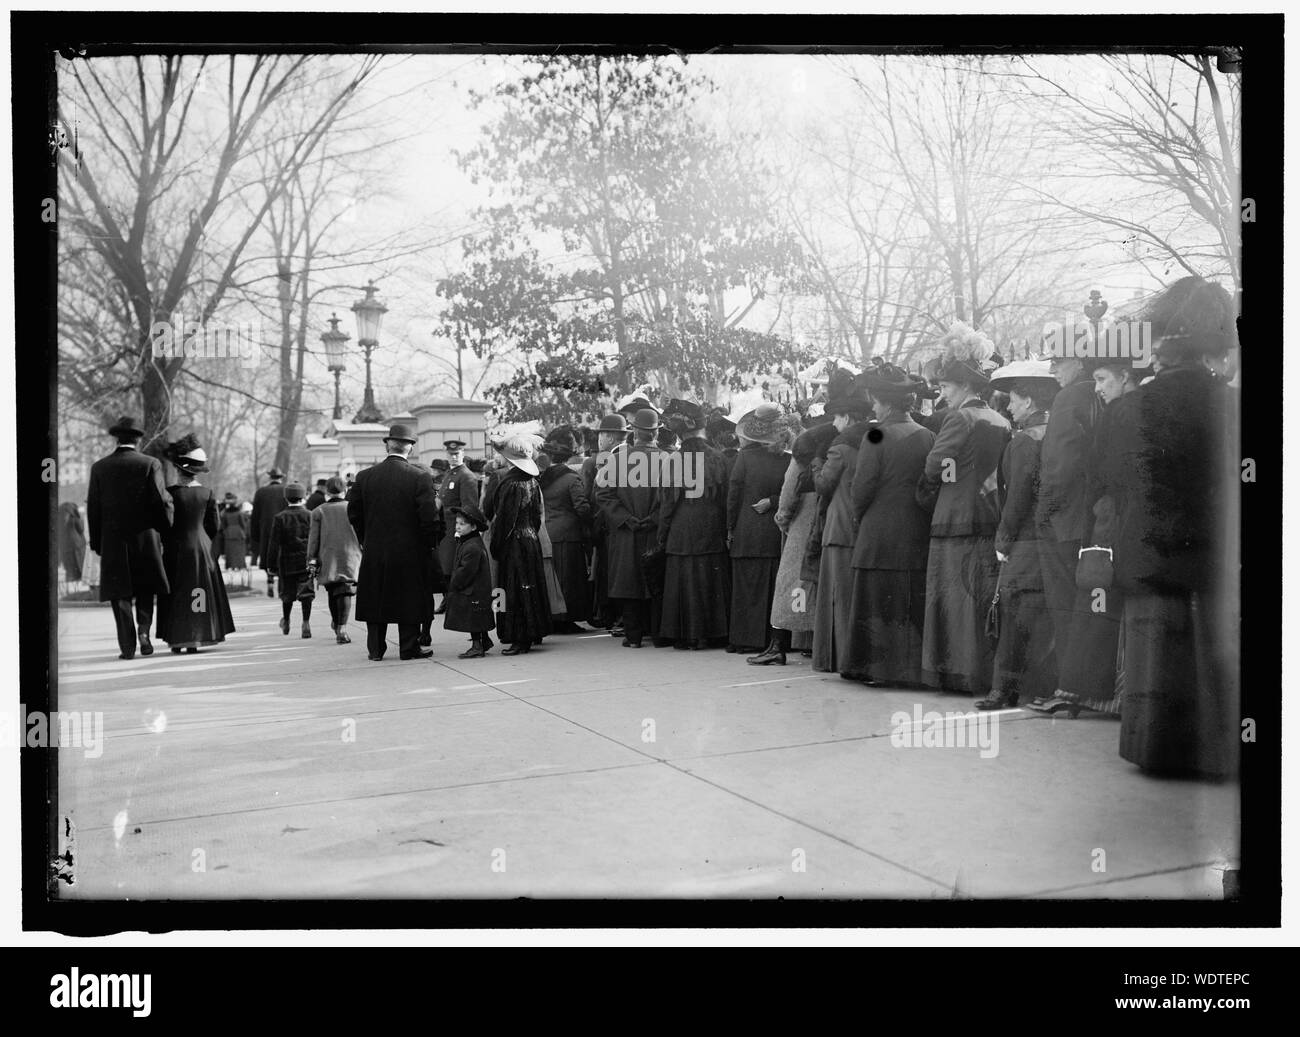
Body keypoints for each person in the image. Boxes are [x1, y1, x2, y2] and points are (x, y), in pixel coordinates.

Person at [1080, 277, 1239, 778]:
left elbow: (1109, 481)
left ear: (1161, 351)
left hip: (1148, 547)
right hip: (1212, 549)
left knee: (1156, 654)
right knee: (1211, 651)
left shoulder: (1129, 408)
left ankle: (1157, 748)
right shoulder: (1230, 404)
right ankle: (1215, 748)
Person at [916, 325, 1011, 694]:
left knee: (953, 600)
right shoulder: (1000, 421)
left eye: (946, 388)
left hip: (954, 520)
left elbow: (933, 466)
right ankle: (980, 674)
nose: (942, 395)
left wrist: (944, 478)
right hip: (988, 518)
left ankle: (953, 673)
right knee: (978, 599)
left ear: (966, 387)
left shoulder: (960, 419)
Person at [842, 365, 934, 686]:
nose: (874, 408)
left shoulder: (877, 435)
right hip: (915, 532)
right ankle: (910, 669)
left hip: (878, 532)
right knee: (908, 603)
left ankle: (876, 669)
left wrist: (859, 516)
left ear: (889, 403)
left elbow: (862, 488)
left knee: (877, 601)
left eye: (877, 403)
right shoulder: (927, 435)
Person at [976, 362, 1059, 709]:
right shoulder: (1055, 433)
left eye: (1012, 399)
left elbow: (1017, 497)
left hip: (1024, 541)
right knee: (1042, 617)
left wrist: (1003, 540)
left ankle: (1004, 689)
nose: (1009, 406)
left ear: (1028, 401)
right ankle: (1038, 687)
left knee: (1014, 614)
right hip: (1051, 542)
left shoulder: (1025, 441)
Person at [1035, 327, 1103, 692]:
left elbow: (1058, 464)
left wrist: (1043, 510)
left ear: (1077, 361)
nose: (1053, 370)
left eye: (1058, 362)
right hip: (1092, 517)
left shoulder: (1069, 398)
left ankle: (1066, 687)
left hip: (1063, 519)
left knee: (1063, 605)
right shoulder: (1100, 392)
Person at [348, 424, 441, 661]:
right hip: (410, 550)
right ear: (410, 447)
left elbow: (354, 514)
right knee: (408, 597)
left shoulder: (365, 477)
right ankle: (408, 648)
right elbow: (429, 518)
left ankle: (376, 649)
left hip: (375, 548)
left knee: (376, 597)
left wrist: (364, 539)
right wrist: (429, 544)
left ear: (388, 444)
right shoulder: (420, 477)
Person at [86, 415, 173, 660]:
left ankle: (127, 646)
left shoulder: (99, 467)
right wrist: (165, 530)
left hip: (113, 541)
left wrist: (97, 543)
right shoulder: (150, 464)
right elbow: (160, 501)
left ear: (117, 438)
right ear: (138, 439)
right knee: (146, 588)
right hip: (145, 538)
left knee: (119, 593)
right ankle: (144, 632)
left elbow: (93, 508)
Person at [749, 419, 832, 665]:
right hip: (827, 522)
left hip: (803, 524)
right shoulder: (834, 450)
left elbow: (788, 494)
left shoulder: (801, 455)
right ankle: (813, 643)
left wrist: (782, 519)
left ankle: (777, 645)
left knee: (791, 584)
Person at [811, 378, 874, 673]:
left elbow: (823, 485)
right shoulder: (875, 440)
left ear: (847, 417)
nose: (834, 424)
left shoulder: (840, 448)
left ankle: (835, 658)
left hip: (838, 529)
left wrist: (815, 464)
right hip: (862, 528)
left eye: (836, 417)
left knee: (836, 596)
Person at [657, 400, 731, 650]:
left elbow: (667, 503)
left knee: (685, 580)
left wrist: (662, 535)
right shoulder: (718, 458)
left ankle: (689, 634)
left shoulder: (674, 461)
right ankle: (715, 633)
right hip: (711, 527)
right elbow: (725, 499)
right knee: (710, 579)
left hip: (682, 528)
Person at [155, 436, 235, 653]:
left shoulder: (170, 493)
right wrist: (202, 538)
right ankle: (199, 636)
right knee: (198, 591)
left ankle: (178, 639)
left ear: (179, 471)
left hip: (176, 548)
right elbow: (214, 525)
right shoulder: (207, 493)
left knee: (177, 593)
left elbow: (165, 524)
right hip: (201, 547)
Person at [594, 409, 664, 648]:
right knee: (656, 582)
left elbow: (602, 494)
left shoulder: (617, 460)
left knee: (630, 582)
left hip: (626, 531)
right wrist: (654, 517)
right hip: (655, 531)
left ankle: (633, 637)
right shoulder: (668, 459)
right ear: (656, 432)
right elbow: (673, 497)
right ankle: (657, 634)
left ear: (634, 432)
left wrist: (625, 518)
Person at [726, 404, 793, 655]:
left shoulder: (744, 458)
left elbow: (733, 496)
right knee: (774, 587)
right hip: (775, 533)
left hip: (747, 531)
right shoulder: (788, 459)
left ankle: (744, 639)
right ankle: (773, 638)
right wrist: (773, 501)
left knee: (746, 588)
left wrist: (730, 529)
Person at [484, 434, 553, 654]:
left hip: (513, 544)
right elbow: (536, 515)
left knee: (513, 590)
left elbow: (504, 520)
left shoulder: (511, 484)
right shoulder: (531, 481)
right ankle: (533, 632)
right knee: (530, 588)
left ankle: (519, 637)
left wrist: (496, 546)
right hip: (530, 539)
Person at [538, 434, 593, 631]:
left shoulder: (541, 479)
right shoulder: (571, 478)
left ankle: (554, 617)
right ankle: (566, 619)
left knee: (553, 579)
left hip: (548, 532)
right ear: (568, 458)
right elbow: (582, 507)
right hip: (569, 535)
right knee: (569, 579)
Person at [582, 413, 629, 635]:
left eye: (601, 434)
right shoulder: (631, 456)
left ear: (609, 437)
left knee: (610, 573)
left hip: (607, 524)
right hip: (627, 522)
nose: (599, 439)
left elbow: (593, 495)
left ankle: (613, 616)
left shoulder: (601, 461)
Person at [307, 475, 361, 645]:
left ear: (327, 491)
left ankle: (337, 623)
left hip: (328, 556)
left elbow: (313, 539)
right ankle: (343, 628)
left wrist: (311, 559)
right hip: (351, 556)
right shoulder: (353, 508)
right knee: (346, 591)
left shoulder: (318, 511)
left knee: (332, 591)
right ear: (345, 490)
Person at [444, 501, 496, 658]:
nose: (458, 527)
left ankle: (477, 646)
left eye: (462, 524)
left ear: (473, 527)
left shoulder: (472, 546)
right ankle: (484, 641)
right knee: (476, 617)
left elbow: (466, 571)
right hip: (474, 589)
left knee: (473, 618)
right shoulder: (468, 541)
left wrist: (454, 583)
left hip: (472, 590)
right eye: (457, 523)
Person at [435, 439, 480, 614]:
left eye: (457, 454)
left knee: (453, 567)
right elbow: (440, 500)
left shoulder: (466, 476)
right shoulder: (450, 474)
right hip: (446, 528)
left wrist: (461, 530)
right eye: (451, 454)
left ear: (462, 454)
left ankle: (453, 602)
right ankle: (449, 600)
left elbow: (469, 506)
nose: (453, 457)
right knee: (446, 567)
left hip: (456, 527)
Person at [266, 482, 314, 638]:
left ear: (286, 497)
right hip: (305, 561)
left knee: (287, 594)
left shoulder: (280, 518)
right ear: (303, 496)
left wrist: (271, 566)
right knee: (306, 593)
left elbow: (274, 543)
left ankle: (286, 620)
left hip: (286, 562)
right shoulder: (310, 515)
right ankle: (306, 623)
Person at [250, 467, 288, 598]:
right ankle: (281, 584)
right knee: (282, 555)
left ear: (270, 477)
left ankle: (270, 581)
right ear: (281, 478)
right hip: (283, 528)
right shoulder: (286, 490)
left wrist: (255, 535)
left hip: (266, 529)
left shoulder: (260, 492)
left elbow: (255, 516)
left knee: (267, 554)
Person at [215, 492, 249, 578]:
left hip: (229, 534)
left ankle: (231, 565)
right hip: (239, 533)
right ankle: (240, 565)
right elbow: (243, 524)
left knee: (230, 552)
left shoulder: (224, 513)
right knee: (239, 551)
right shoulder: (239, 512)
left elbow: (223, 525)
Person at [59, 500, 87, 586]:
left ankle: (71, 585)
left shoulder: (59, 520)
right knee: (79, 566)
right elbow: (81, 529)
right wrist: (81, 518)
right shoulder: (75, 518)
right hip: (77, 546)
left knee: (70, 569)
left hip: (65, 548)